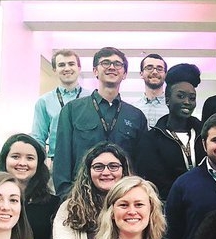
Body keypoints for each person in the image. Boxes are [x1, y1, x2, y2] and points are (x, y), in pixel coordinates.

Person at [52, 47, 147, 198]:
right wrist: (67, 198)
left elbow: (141, 165)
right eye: (106, 63)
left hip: (123, 198)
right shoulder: (72, 110)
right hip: (80, 197)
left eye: (118, 64)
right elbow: (62, 159)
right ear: (95, 71)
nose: (112, 67)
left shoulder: (136, 116)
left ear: (125, 74)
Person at [134, 63, 204, 201]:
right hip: (167, 208)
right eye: (180, 96)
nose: (187, 102)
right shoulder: (151, 138)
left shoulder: (205, 135)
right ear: (167, 100)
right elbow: (153, 180)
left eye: (192, 98)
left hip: (203, 205)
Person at [0, 133, 59, 239]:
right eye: (15, 157)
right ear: (5, 159)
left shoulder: (53, 204)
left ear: (39, 163)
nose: (22, 163)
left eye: (30, 158)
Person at [31, 49, 85, 158]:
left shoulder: (93, 98)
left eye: (71, 64)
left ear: (79, 68)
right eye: (61, 65)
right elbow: (38, 138)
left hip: (87, 161)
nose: (67, 68)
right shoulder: (44, 102)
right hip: (57, 161)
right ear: (55, 70)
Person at [135, 53, 169, 128]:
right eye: (149, 68)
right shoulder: (132, 109)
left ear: (165, 75)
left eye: (159, 69)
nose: (154, 72)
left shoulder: (173, 108)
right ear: (141, 74)